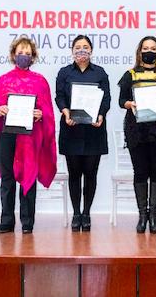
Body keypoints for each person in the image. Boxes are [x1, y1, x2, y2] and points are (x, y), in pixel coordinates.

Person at [0, 37, 57, 234]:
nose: (23, 56)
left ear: (33, 56)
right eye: (20, 53)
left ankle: (27, 221)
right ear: (13, 55)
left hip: (29, 137)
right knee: (7, 178)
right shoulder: (4, 80)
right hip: (6, 135)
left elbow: (48, 111)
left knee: (29, 176)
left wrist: (41, 114)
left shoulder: (40, 81)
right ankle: (6, 220)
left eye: (27, 53)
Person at [118, 36, 156, 234]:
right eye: (145, 48)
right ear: (140, 52)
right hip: (136, 130)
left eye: (153, 48)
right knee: (140, 171)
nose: (149, 51)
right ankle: (142, 216)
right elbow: (121, 100)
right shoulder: (130, 74)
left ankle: (153, 215)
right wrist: (130, 104)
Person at [55, 35, 111, 232]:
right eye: (77, 47)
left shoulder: (100, 72)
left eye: (85, 47)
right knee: (74, 174)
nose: (81, 50)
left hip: (94, 130)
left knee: (90, 174)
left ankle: (86, 213)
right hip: (72, 129)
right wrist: (65, 112)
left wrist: (101, 115)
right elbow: (59, 96)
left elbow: (106, 99)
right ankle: (76, 213)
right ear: (72, 51)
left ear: (91, 51)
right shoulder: (64, 72)